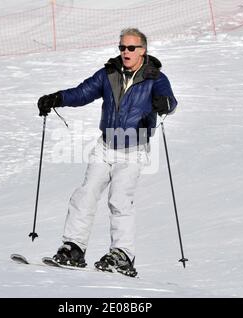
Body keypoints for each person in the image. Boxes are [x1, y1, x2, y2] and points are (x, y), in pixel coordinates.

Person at [37, 28, 177, 277]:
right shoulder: (109, 73)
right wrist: (57, 98)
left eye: (130, 48)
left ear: (142, 50)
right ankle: (74, 248)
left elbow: (169, 101)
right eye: (122, 47)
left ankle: (122, 254)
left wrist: (164, 104)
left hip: (133, 148)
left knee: (119, 200)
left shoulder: (155, 78)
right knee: (85, 194)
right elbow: (83, 92)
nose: (125, 52)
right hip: (105, 146)